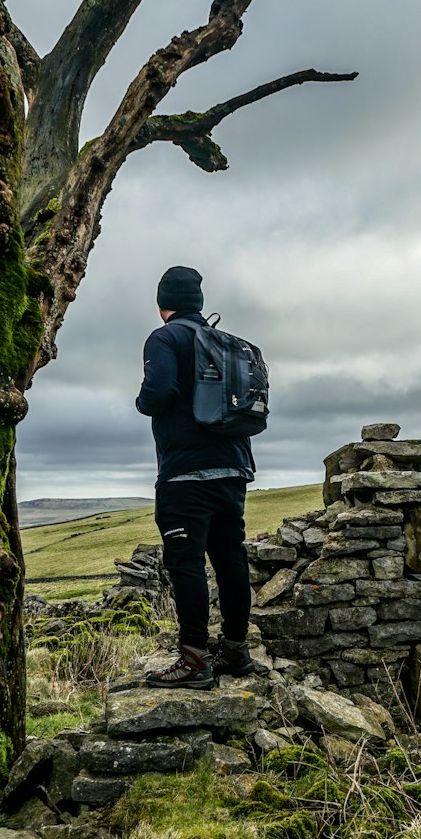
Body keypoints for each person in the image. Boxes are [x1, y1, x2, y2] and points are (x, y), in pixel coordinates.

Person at [135, 265, 258, 688]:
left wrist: (141, 400)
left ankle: (193, 659)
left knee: (185, 563)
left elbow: (159, 393)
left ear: (162, 304)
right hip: (234, 468)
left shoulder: (165, 337)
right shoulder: (227, 343)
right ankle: (236, 650)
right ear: (198, 304)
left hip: (185, 473)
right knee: (230, 557)